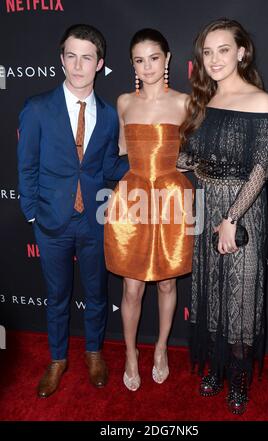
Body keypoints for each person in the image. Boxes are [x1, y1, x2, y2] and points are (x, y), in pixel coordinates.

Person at [17, 24, 128, 398]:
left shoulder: (111, 116)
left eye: (87, 57)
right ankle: (58, 359)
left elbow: (109, 167)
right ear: (62, 59)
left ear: (99, 64)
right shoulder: (36, 109)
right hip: (50, 222)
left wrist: (150, 164)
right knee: (57, 295)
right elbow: (26, 166)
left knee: (97, 293)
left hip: (94, 220)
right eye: (71, 56)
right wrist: (33, 213)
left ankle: (94, 353)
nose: (78, 65)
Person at [177, 18, 268, 414]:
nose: (215, 59)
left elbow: (261, 169)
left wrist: (231, 218)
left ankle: (238, 377)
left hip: (243, 214)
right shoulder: (202, 102)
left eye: (223, 50)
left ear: (241, 52)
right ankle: (217, 367)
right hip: (206, 206)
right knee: (212, 292)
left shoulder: (261, 101)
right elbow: (189, 159)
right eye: (207, 52)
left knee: (241, 296)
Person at [104, 28, 194, 391]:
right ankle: (130, 353)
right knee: (132, 287)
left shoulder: (186, 103)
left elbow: (191, 154)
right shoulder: (124, 102)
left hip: (172, 197)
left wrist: (174, 166)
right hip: (133, 197)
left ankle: (160, 349)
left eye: (154, 58)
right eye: (139, 61)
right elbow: (124, 150)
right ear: (132, 65)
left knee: (169, 281)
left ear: (168, 59)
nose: (147, 66)